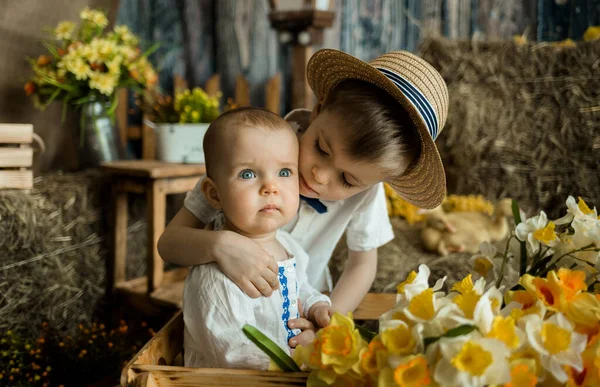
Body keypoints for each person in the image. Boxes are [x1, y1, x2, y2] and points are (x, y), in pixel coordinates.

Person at [161, 49, 449, 344]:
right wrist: (220, 245)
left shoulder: (367, 192)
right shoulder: (249, 151)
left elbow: (363, 264)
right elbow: (169, 244)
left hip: (303, 305)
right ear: (318, 110)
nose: (320, 176)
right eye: (322, 149)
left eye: (347, 180)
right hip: (232, 309)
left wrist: (329, 321)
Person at [183, 107, 331, 369]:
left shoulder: (287, 245)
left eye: (284, 172)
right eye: (248, 174)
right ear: (215, 195)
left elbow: (301, 286)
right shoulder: (216, 275)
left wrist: (316, 306)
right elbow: (234, 352)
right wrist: (298, 358)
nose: (270, 187)